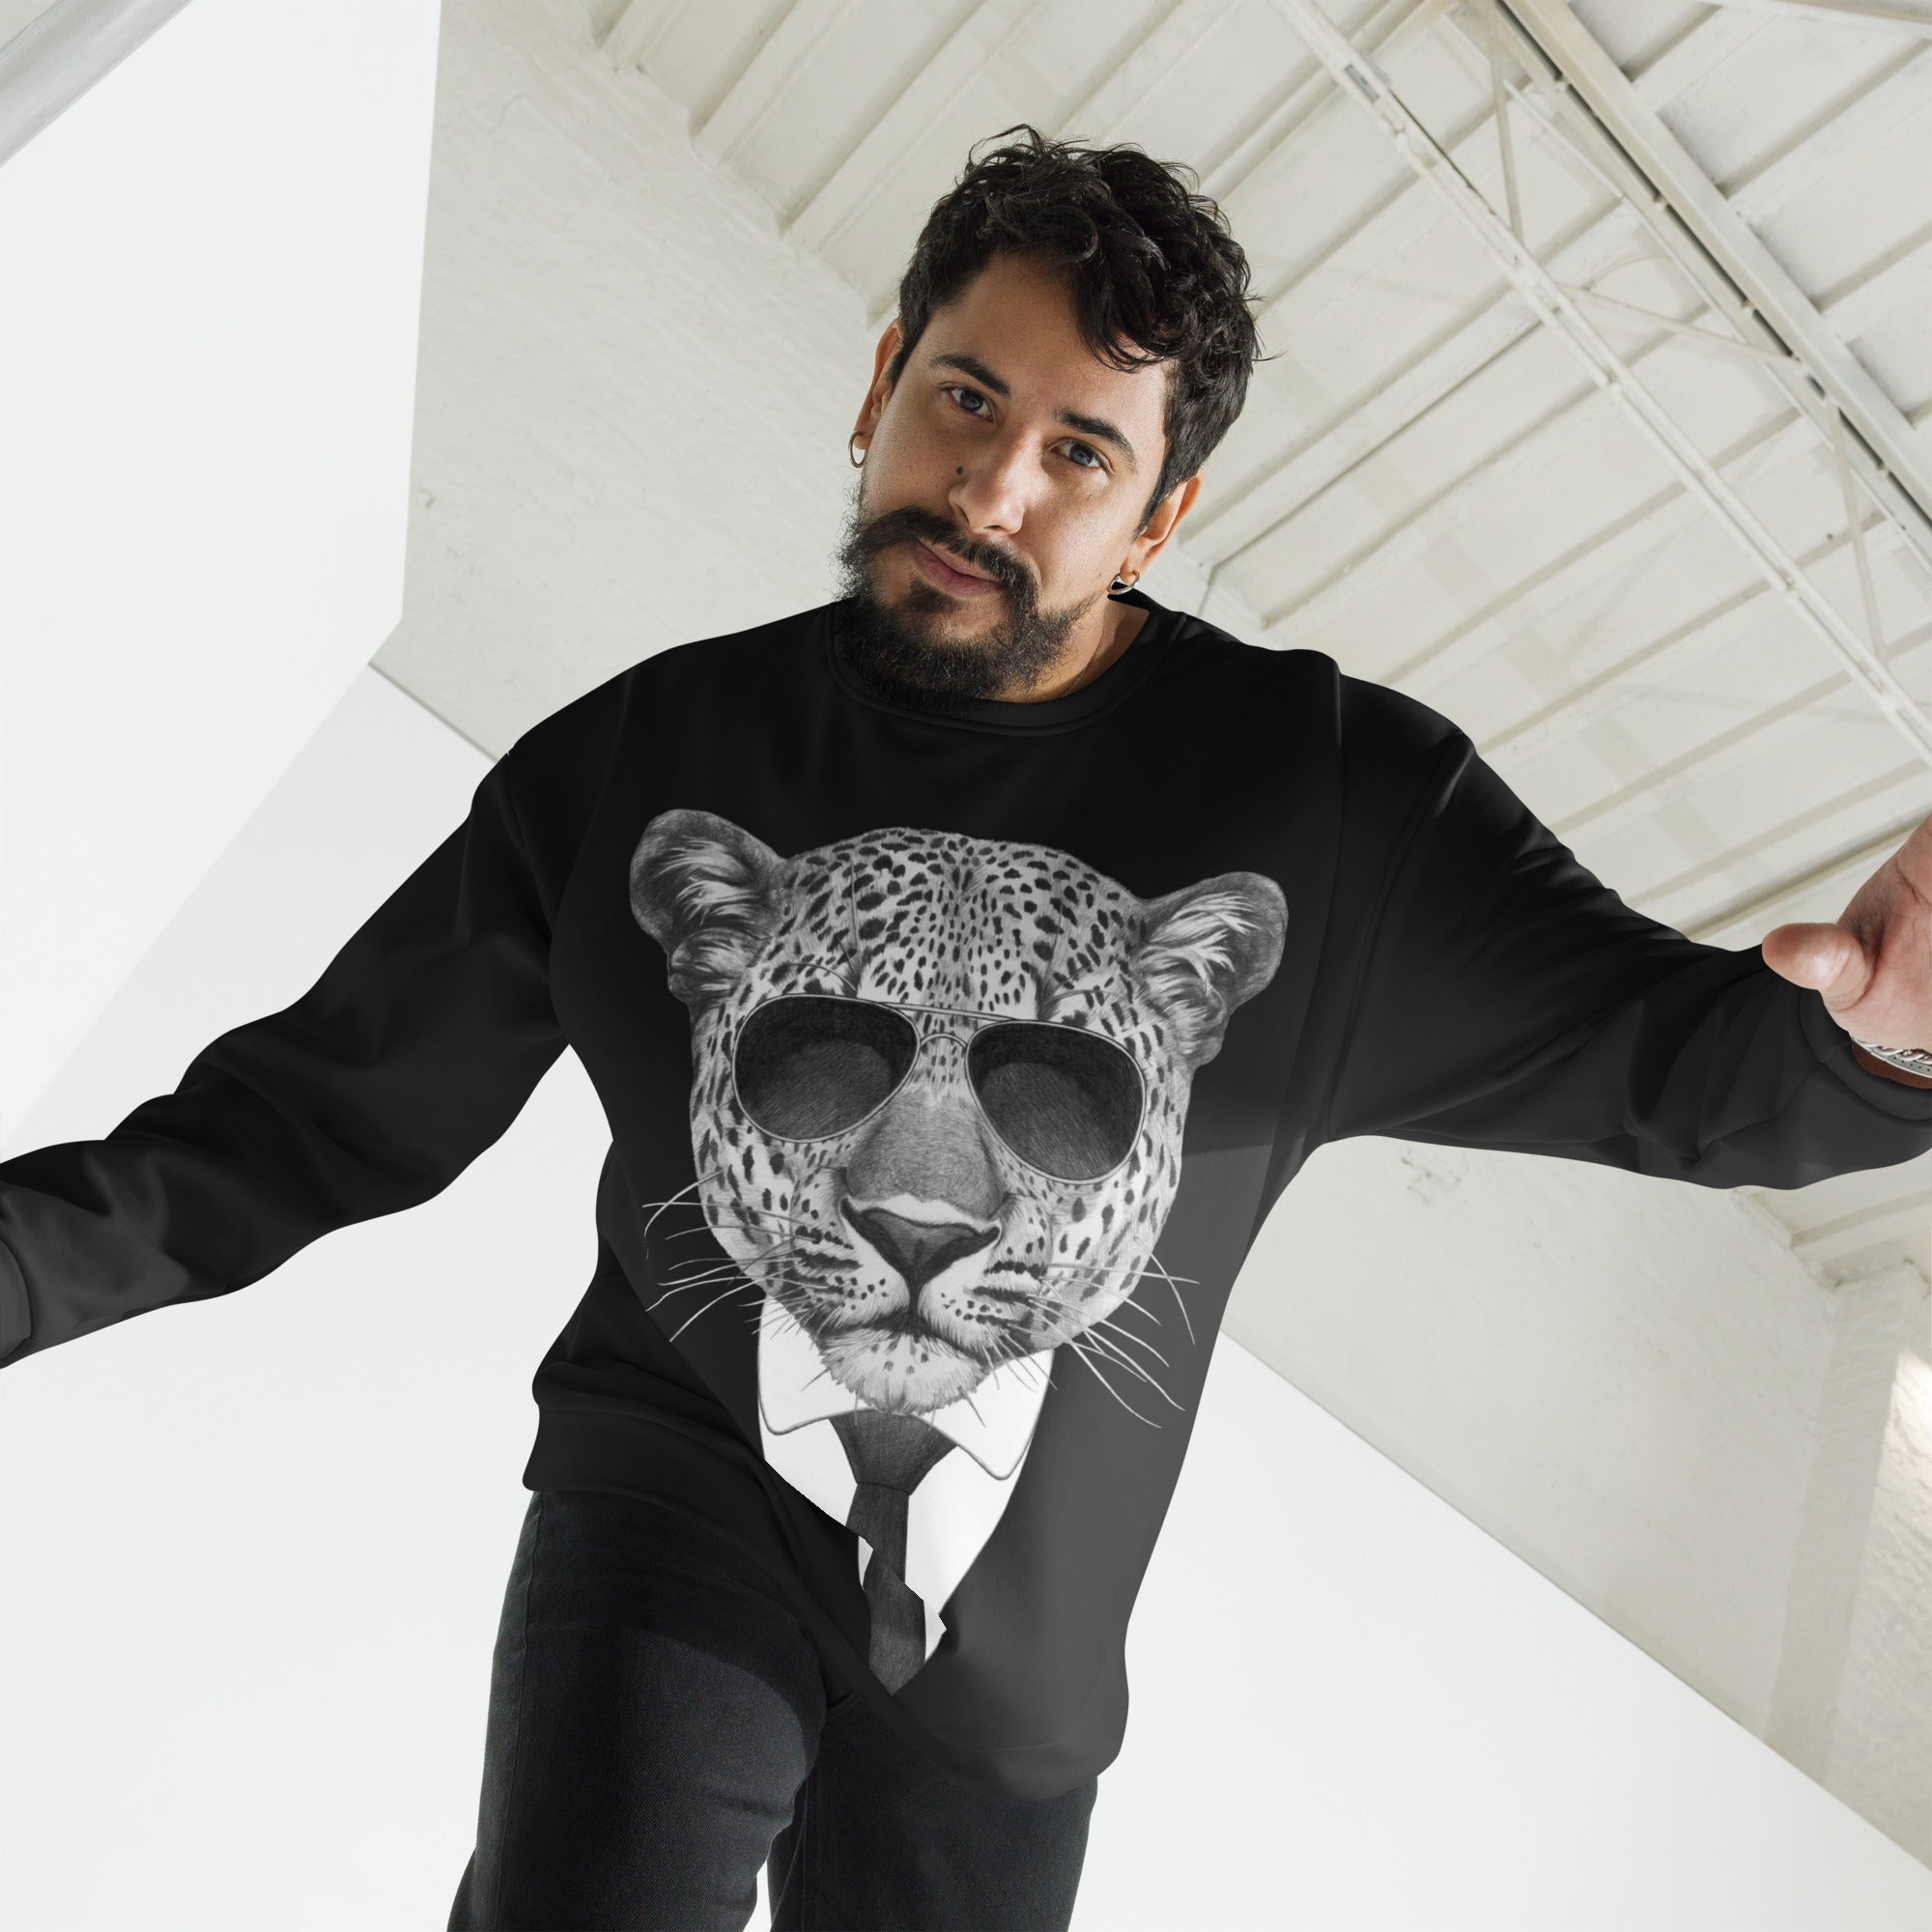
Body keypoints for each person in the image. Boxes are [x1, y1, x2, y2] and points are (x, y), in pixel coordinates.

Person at [4, 122, 1931, 1932]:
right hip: (675, 1503)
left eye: (1081, 453)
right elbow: (303, 1124)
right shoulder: (648, 757)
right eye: (966, 400)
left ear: (1161, 516)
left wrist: (1889, 1033)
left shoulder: (1330, 804)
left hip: (1016, 1685)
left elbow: (1685, 1072)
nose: (993, 492)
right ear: (880, 386)